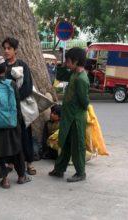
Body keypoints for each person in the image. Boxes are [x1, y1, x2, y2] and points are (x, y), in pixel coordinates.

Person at [0, 56, 31, 189]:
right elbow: (18, 106)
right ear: (5, 69)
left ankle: (5, 180)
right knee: (17, 149)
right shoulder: (12, 84)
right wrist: (19, 121)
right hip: (13, 123)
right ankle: (21, 176)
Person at [48, 47, 90, 182]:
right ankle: (59, 169)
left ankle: (80, 172)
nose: (66, 64)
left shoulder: (81, 79)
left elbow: (85, 102)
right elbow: (60, 75)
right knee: (64, 143)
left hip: (76, 118)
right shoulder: (73, 74)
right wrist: (61, 64)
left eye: (68, 61)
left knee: (78, 146)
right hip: (68, 116)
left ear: (76, 62)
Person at [2, 37, 36, 176]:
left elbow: (27, 87)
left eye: (9, 48)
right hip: (7, 110)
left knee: (25, 135)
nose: (6, 51)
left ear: (16, 50)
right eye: (4, 48)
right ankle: (10, 162)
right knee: (10, 136)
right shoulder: (2, 67)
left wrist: (15, 100)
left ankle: (30, 163)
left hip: (21, 108)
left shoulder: (23, 65)